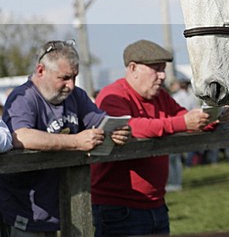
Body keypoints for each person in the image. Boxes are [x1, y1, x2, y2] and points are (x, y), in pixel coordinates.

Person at [0, 40, 131, 235]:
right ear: (41, 70)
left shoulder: (76, 95)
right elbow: (21, 136)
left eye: (74, 77)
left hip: (62, 204)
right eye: (64, 78)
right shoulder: (24, 97)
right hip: (25, 208)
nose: (70, 85)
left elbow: (99, 120)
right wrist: (76, 142)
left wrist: (117, 130)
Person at [91, 40, 217, 236]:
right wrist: (184, 123)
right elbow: (132, 126)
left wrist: (214, 117)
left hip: (155, 204)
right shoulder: (113, 95)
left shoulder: (160, 96)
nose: (162, 76)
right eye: (156, 69)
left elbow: (185, 118)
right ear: (133, 68)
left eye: (163, 69)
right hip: (118, 207)